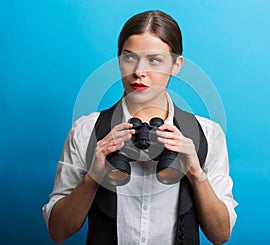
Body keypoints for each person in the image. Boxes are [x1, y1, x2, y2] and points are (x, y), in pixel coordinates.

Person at [42, 10, 237, 245]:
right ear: (119, 59)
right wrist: (94, 176)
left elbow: (220, 235)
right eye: (130, 57)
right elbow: (58, 231)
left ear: (176, 65)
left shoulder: (208, 134)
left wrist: (196, 173)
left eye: (154, 60)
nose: (139, 72)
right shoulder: (86, 130)